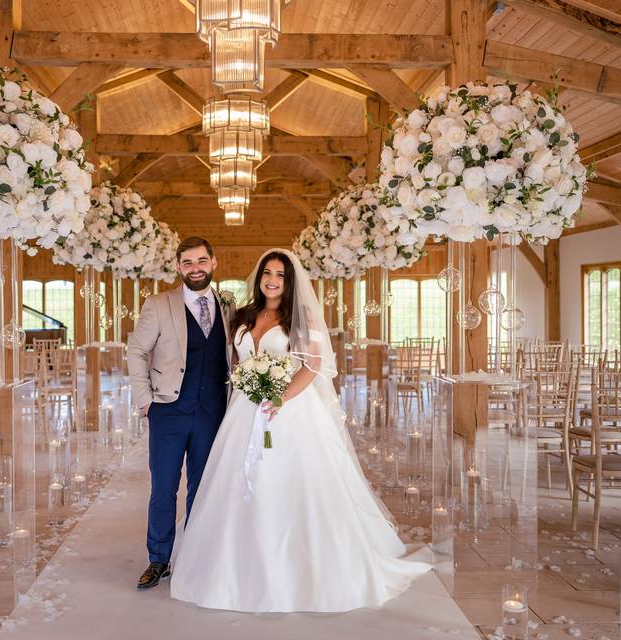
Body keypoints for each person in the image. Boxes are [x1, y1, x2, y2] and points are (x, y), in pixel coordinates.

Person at [169, 249, 431, 613]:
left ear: (290, 282)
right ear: (258, 278)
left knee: (290, 484)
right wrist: (245, 383)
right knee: (237, 485)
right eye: (267, 273)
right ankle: (234, 569)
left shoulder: (301, 317)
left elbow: (312, 367)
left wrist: (279, 398)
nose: (272, 279)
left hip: (288, 410)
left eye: (280, 274)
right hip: (244, 411)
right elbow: (233, 360)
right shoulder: (244, 316)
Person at [126, 237, 235, 590]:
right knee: (163, 489)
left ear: (214, 262)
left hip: (213, 413)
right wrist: (146, 401)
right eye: (187, 262)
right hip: (168, 411)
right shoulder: (158, 304)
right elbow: (137, 351)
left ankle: (195, 557)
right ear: (177, 267)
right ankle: (159, 560)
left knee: (203, 489)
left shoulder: (229, 305)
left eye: (201, 260)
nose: (195, 268)